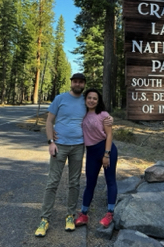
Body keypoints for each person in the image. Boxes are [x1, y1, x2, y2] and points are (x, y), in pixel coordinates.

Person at [35, 73, 112, 237]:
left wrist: (109, 119)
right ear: (71, 83)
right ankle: (44, 218)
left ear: (84, 84)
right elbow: (49, 121)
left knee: (74, 182)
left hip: (78, 146)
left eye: (81, 82)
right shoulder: (60, 99)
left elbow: (98, 113)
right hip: (60, 145)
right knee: (53, 182)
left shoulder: (86, 101)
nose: (78, 84)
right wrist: (50, 141)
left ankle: (70, 215)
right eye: (75, 81)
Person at [74, 88, 118, 228]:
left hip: (106, 149)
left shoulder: (103, 114)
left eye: (95, 98)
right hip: (91, 152)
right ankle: (84, 213)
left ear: (98, 101)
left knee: (110, 180)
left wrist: (106, 154)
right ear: (85, 99)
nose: (91, 100)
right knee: (90, 183)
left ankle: (110, 213)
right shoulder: (82, 114)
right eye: (89, 98)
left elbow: (109, 135)